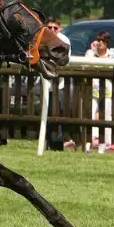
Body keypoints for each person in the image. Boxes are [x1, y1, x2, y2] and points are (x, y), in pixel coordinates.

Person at [44, 17, 74, 150]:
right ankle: (50, 143)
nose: (52, 30)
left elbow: (65, 59)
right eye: (49, 27)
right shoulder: (42, 37)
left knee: (59, 114)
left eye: (55, 28)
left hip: (60, 84)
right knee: (48, 114)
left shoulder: (64, 40)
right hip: (44, 82)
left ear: (59, 28)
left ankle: (59, 143)